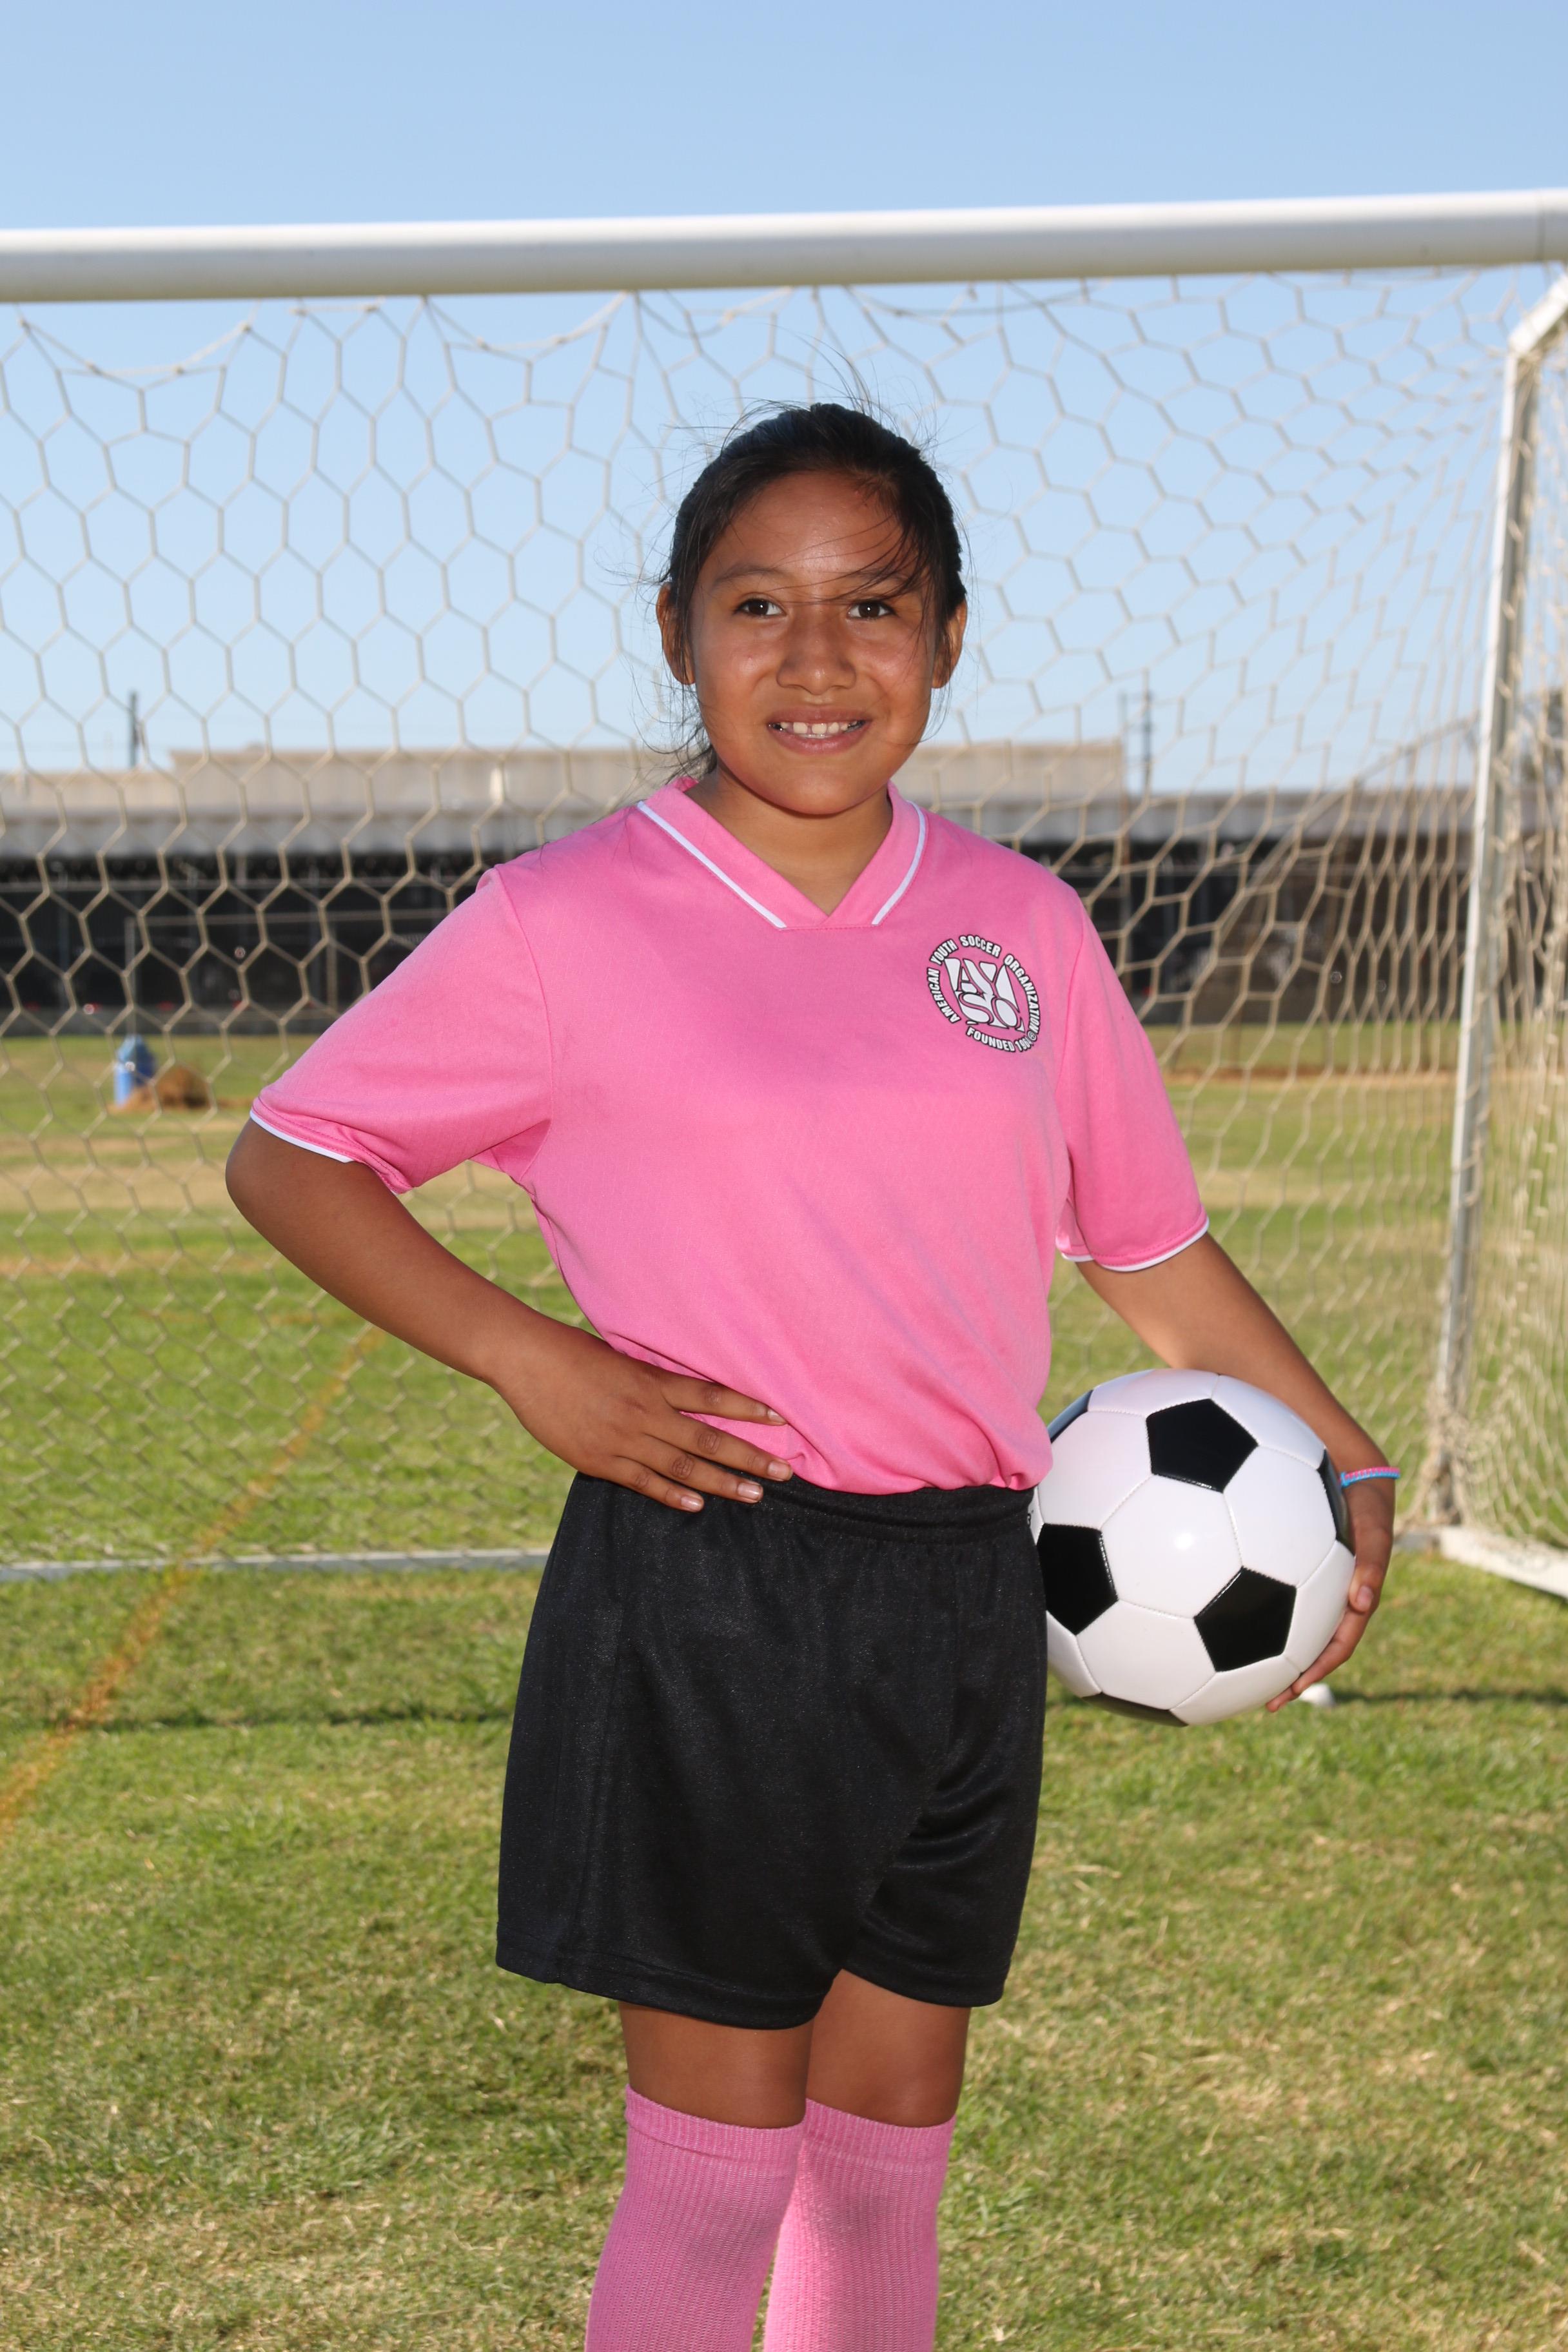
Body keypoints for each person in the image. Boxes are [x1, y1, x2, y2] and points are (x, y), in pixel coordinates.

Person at [225, 403, 1396, 2352]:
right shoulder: (568, 920)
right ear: (677, 632)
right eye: (758, 604)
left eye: (876, 604)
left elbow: (1142, 1244)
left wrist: (1340, 1447)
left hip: (965, 1589)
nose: (818, 655)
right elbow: (295, 1155)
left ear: (949, 637)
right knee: (716, 2174)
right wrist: (532, 1362)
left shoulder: (1023, 929)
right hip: (714, 1583)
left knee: (884, 2161)